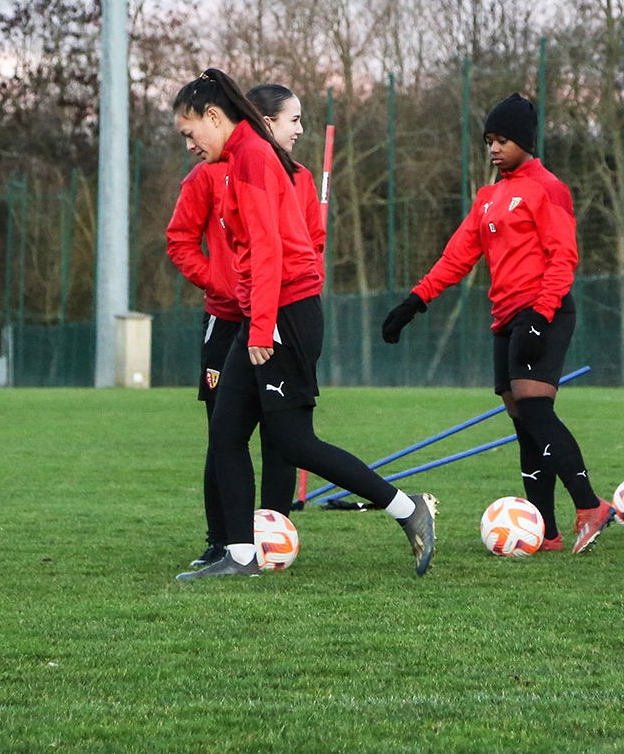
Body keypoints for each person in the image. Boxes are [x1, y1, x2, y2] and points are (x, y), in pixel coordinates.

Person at [171, 68, 438, 579]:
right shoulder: (240, 156)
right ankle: (240, 556)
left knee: (292, 442)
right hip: (265, 310)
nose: (189, 145)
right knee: (226, 432)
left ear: (213, 116)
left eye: (190, 133)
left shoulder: (250, 156)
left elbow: (269, 249)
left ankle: (408, 509)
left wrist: (259, 328)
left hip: (285, 314)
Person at [380, 93, 613, 554]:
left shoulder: (549, 188)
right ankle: (546, 531)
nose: (493, 147)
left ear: (525, 141)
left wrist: (540, 316)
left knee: (535, 410)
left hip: (543, 312)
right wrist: (413, 303)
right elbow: (456, 258)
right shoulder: (488, 198)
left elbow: (564, 257)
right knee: (522, 422)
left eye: (503, 139)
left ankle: (590, 506)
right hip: (505, 318)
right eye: (489, 140)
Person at [166, 117, 296, 569]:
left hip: (278, 316)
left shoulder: (286, 173)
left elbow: (299, 243)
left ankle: (277, 535)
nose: (297, 130)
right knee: (223, 432)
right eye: (291, 120)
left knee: (283, 433)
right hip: (226, 320)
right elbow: (179, 240)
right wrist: (219, 283)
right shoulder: (205, 174)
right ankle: (221, 541)